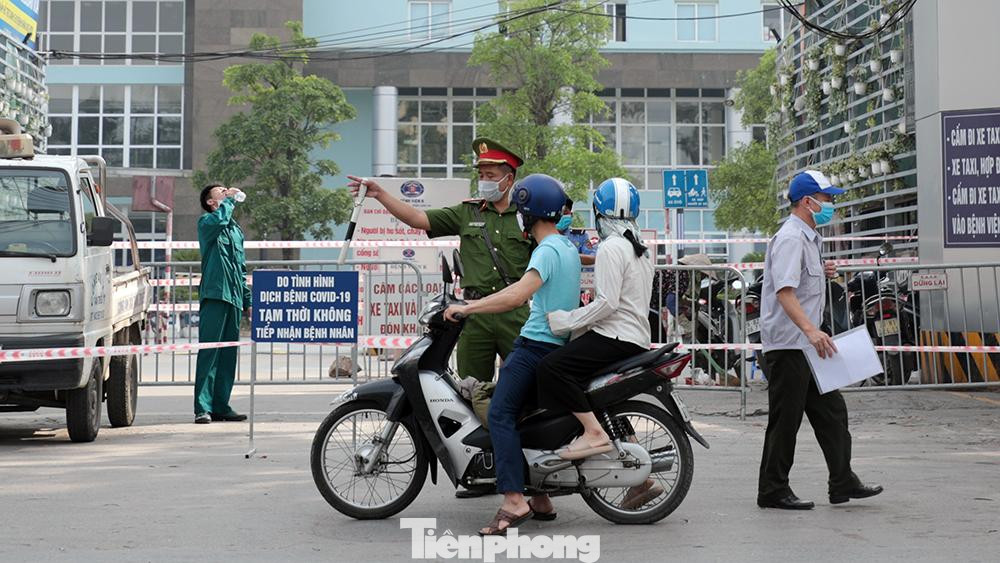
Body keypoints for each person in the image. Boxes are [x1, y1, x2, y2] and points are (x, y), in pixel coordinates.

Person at [442, 174, 580, 536]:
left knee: (500, 414)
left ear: (527, 214)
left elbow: (516, 296)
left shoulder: (547, 251)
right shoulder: (565, 247)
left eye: (519, 210)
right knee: (525, 419)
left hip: (534, 345)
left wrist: (468, 308)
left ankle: (514, 499)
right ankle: (542, 498)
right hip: (554, 344)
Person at [347, 137, 531, 384]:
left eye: (491, 175)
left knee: (523, 386)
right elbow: (417, 218)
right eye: (482, 175)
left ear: (508, 179)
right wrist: (380, 194)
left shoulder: (527, 216)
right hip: (474, 314)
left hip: (515, 313)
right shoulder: (467, 212)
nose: (485, 181)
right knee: (472, 388)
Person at [756, 170, 883, 510]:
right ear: (807, 202)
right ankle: (772, 489)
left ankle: (842, 481)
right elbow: (785, 292)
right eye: (827, 199)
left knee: (832, 413)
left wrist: (821, 272)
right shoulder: (791, 239)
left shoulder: (809, 239)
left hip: (810, 345)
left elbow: (799, 282)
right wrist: (811, 330)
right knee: (786, 421)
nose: (831, 204)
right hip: (790, 345)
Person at [537, 177, 665, 510]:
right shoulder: (638, 246)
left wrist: (565, 320)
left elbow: (607, 304)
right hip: (634, 338)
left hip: (615, 336)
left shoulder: (610, 246)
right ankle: (642, 478)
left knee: (551, 369)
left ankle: (593, 433)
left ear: (598, 211)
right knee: (600, 395)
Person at [193, 184, 251, 424]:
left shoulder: (236, 231)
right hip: (216, 294)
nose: (226, 191)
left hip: (234, 297)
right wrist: (229, 201)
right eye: (220, 190)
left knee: (228, 354)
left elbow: (241, 266)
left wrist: (248, 300)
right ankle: (202, 407)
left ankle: (220, 405)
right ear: (210, 201)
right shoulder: (207, 223)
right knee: (210, 352)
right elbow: (220, 220)